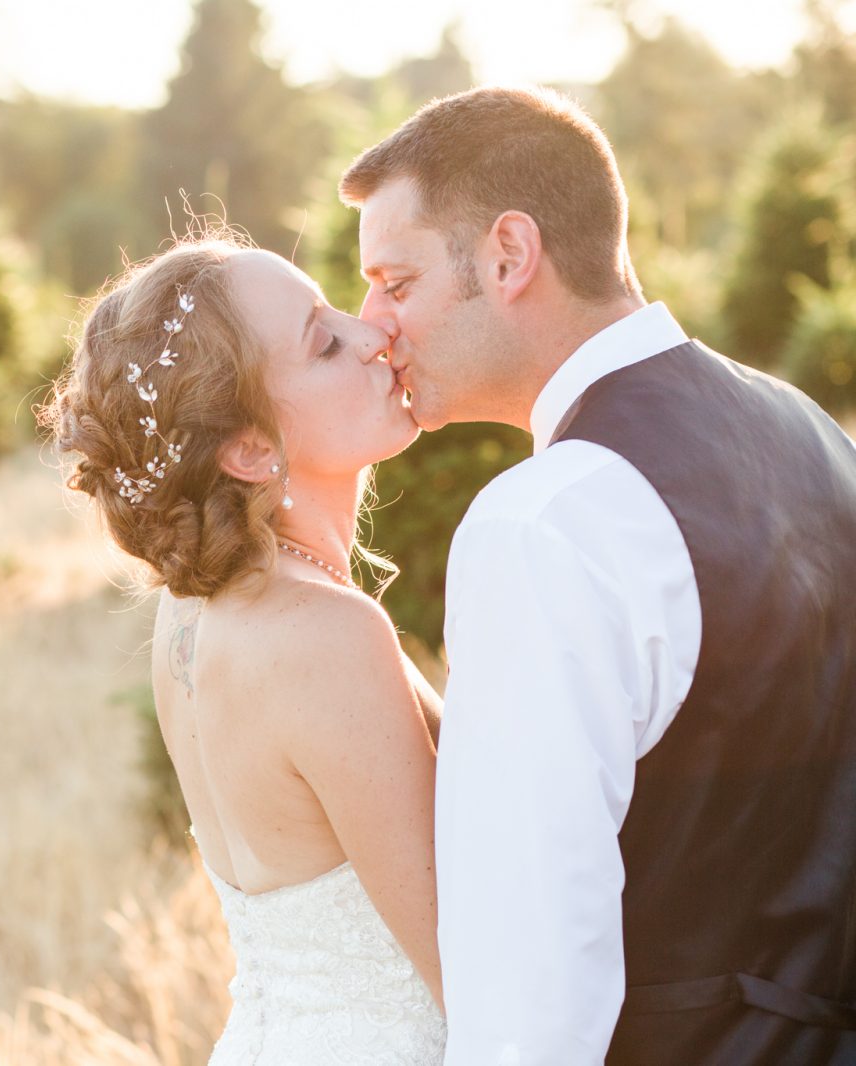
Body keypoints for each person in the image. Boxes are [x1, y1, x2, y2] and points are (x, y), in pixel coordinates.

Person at [341, 85, 856, 1064]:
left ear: (507, 255)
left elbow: (530, 987)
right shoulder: (816, 435)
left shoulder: (546, 521)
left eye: (395, 282)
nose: (374, 324)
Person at [47, 234, 447, 1062]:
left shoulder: (190, 615)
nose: (374, 334)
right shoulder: (327, 636)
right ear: (251, 449)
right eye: (326, 342)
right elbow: (468, 970)